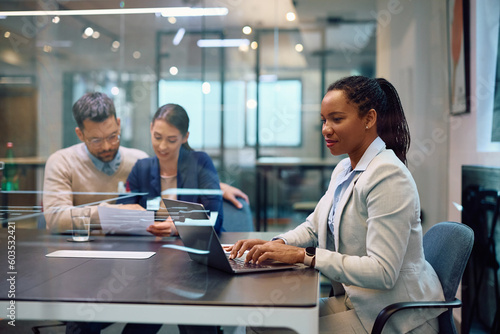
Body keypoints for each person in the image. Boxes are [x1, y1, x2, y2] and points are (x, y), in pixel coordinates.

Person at [227, 76, 445, 334]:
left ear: (369, 119)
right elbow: (313, 226)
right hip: (359, 303)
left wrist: (303, 256)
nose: (326, 129)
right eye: (324, 120)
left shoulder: (388, 175)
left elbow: (383, 272)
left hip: (394, 316)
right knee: (260, 324)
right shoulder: (345, 169)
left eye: (337, 119)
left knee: (267, 329)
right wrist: (278, 244)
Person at [43, 92, 248, 234]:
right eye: (96, 140)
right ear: (80, 134)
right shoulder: (62, 162)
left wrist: (216, 187)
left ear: (119, 124)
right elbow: (55, 219)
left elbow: (177, 177)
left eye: (113, 136)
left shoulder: (136, 159)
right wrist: (111, 213)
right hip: (88, 246)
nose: (106, 146)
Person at [116, 103, 223, 235]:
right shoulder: (141, 168)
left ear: (185, 137)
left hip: (192, 246)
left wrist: (178, 227)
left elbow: (215, 219)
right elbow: (120, 215)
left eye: (171, 140)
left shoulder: (200, 163)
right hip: (151, 245)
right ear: (151, 128)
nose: (162, 146)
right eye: (157, 137)